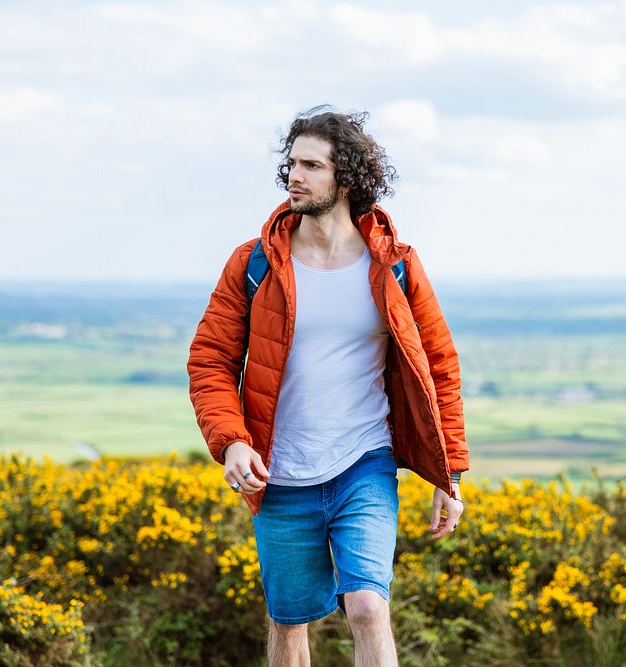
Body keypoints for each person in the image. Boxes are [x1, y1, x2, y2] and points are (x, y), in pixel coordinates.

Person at [187, 106, 468, 666]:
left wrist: (449, 470)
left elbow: (438, 365)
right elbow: (210, 360)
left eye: (312, 165)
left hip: (363, 462)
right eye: (292, 163)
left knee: (367, 607)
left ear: (348, 178)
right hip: (279, 472)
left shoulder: (395, 266)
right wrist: (232, 440)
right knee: (290, 624)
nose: (295, 175)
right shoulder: (253, 264)